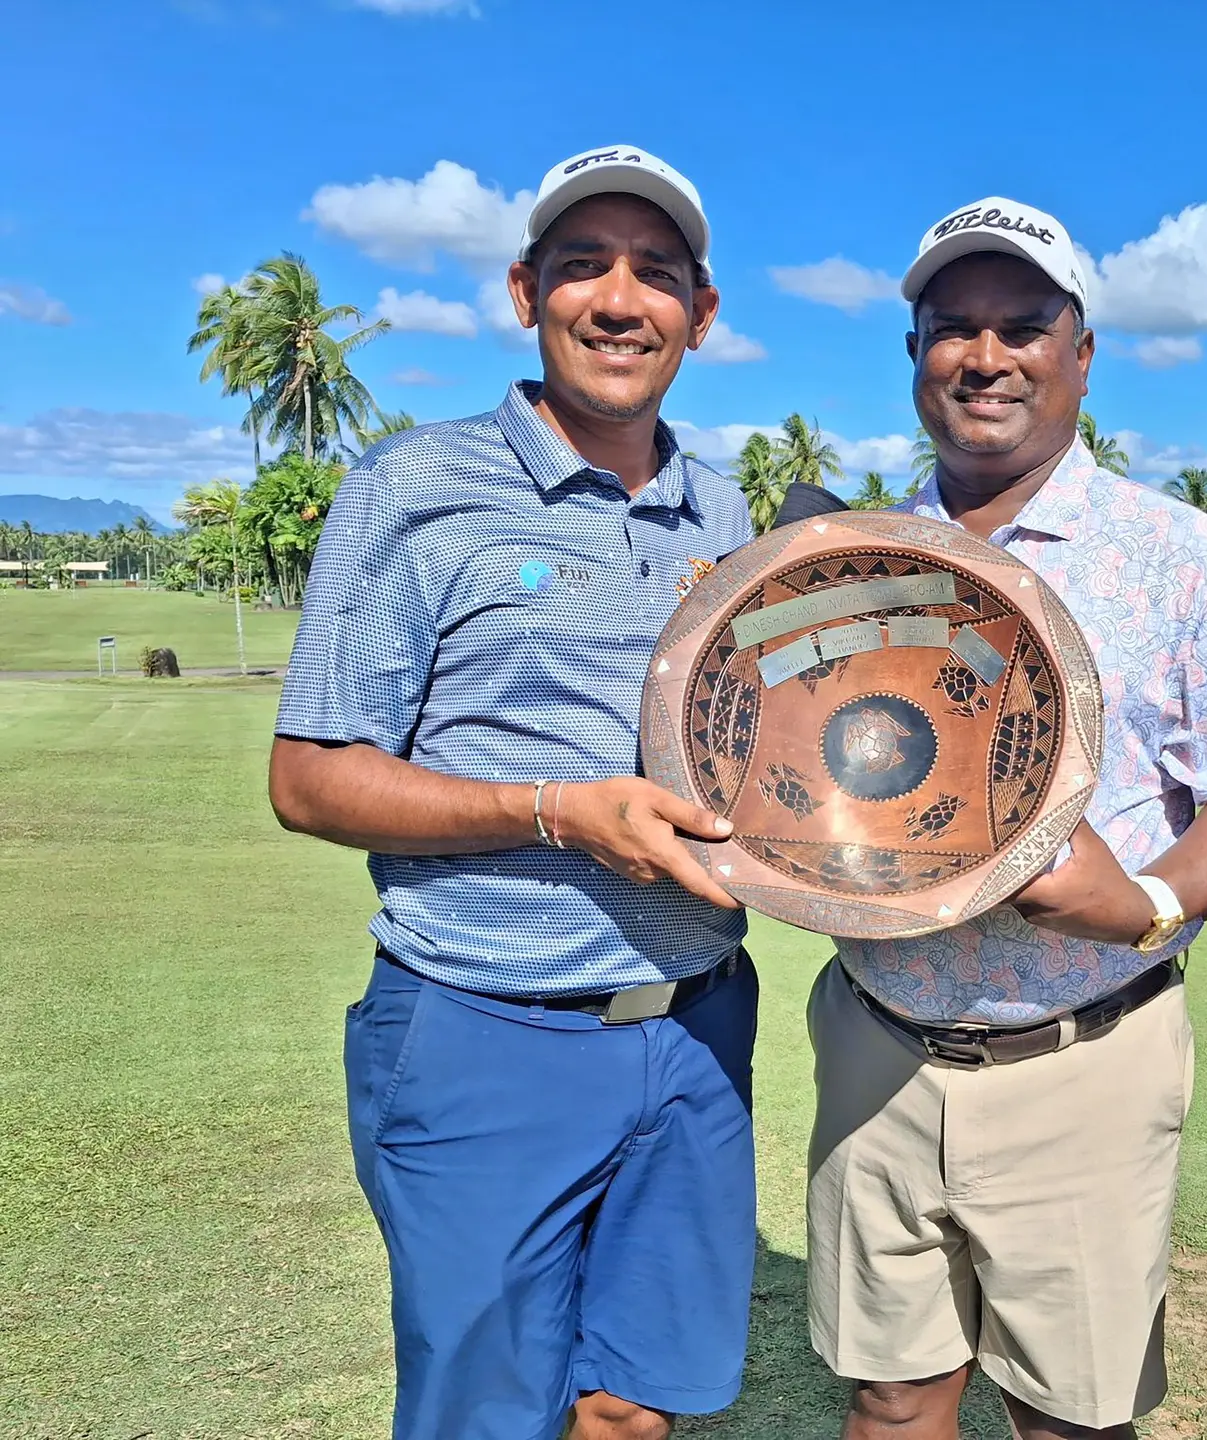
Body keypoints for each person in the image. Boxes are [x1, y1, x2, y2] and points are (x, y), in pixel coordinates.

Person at [805, 196, 1207, 1440]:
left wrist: (1147, 900)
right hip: (881, 1035)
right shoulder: (853, 559)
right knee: (891, 1393)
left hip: (1081, 1050)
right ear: (917, 353)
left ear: (1080, 353)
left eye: (1023, 326)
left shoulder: (1181, 557)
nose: (987, 357)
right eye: (952, 329)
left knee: (1070, 1418)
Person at [268, 145, 757, 1440]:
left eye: (655, 273)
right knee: (489, 1416)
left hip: (699, 1024)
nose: (617, 299)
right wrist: (559, 812)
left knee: (637, 1407)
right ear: (523, 291)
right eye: (581, 265)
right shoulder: (418, 487)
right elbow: (310, 779)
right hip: (488, 1028)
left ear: (700, 316)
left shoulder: (726, 508)